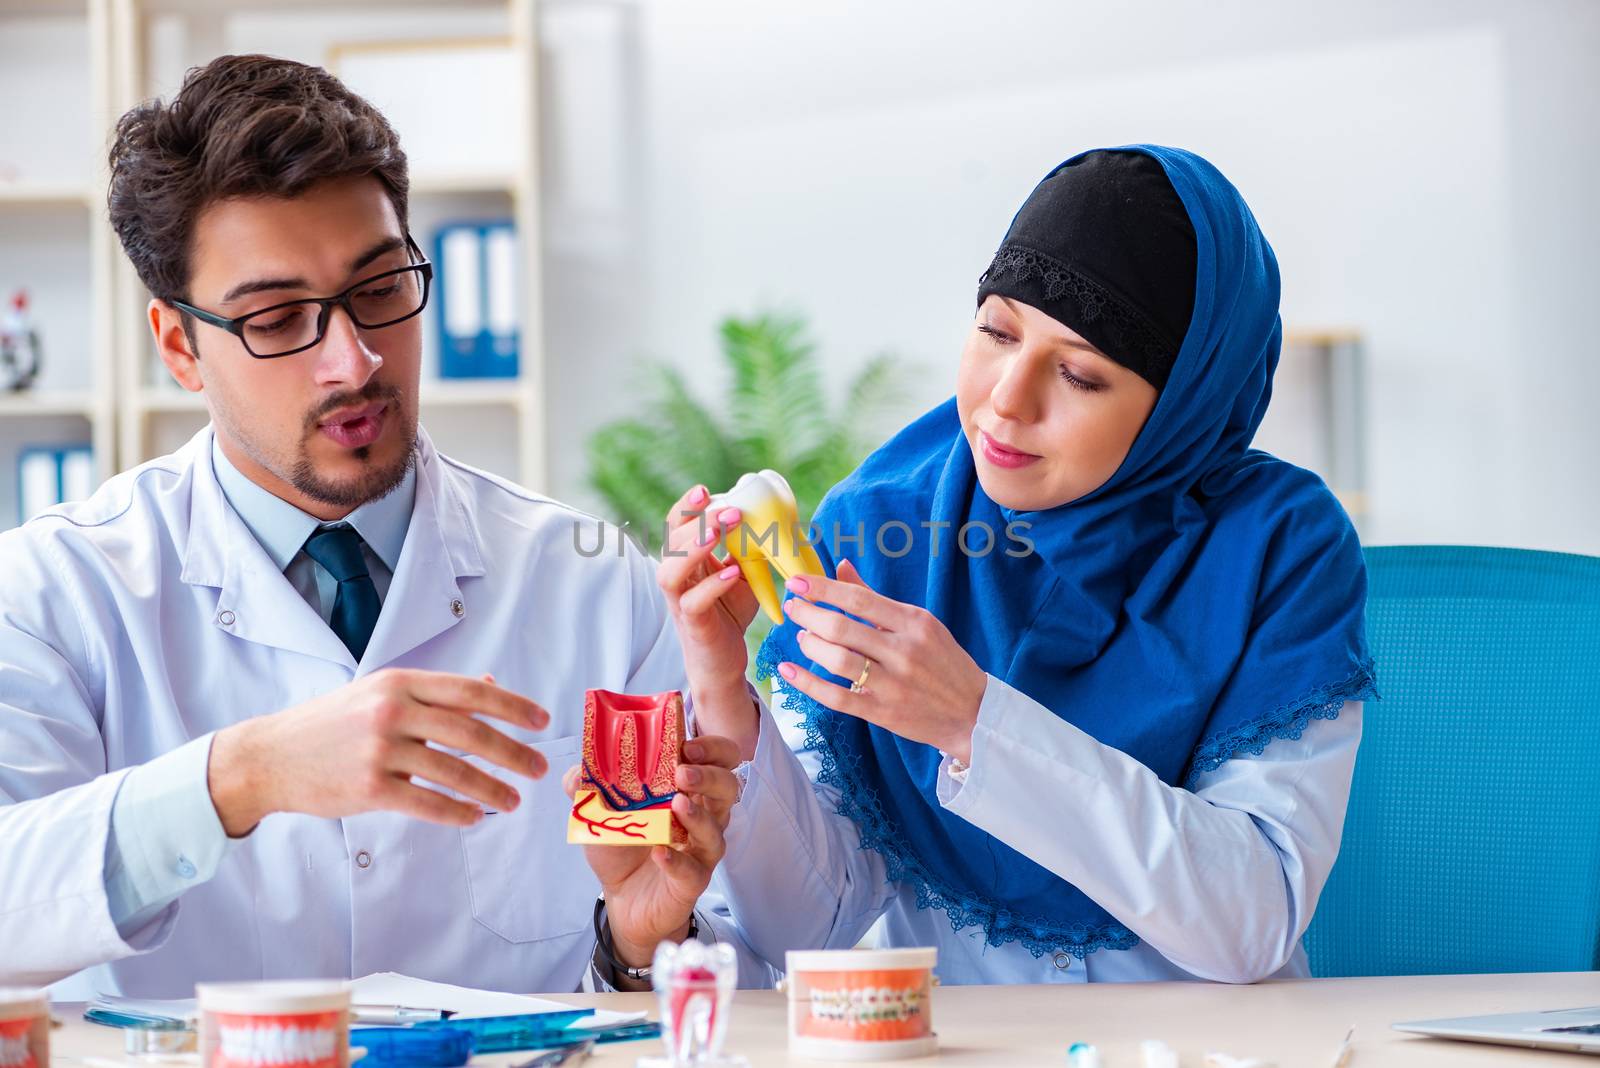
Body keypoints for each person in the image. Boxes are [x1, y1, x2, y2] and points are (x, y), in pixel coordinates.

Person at [0, 54, 762, 995]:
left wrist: (637, 945)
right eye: (278, 319)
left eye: (380, 288)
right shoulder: (53, 591)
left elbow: (726, 964)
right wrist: (239, 776)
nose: (352, 361)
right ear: (178, 348)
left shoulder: (592, 587)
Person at [662, 146, 1377, 984]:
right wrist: (720, 687)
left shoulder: (1280, 545)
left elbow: (1253, 921)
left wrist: (974, 723)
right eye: (996, 331)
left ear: (1183, 404)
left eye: (1077, 374)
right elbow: (799, 927)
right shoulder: (885, 522)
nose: (1007, 397)